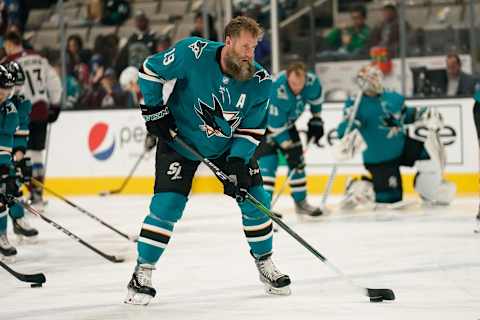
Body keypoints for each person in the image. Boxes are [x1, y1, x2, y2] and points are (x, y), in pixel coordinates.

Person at [125, 16, 291, 305]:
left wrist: (238, 163)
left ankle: (265, 263)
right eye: (244, 46)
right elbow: (150, 71)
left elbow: (252, 128)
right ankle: (142, 273)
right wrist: (154, 111)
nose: (250, 54)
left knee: (256, 199)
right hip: (179, 140)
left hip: (227, 147)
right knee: (167, 206)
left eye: (254, 47)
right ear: (228, 41)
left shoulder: (260, 80)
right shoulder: (193, 52)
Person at [336, 65, 455, 208]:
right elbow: (344, 129)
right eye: (370, 78)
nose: (375, 80)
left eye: (376, 76)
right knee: (391, 200)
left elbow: (405, 115)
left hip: (402, 145)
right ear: (362, 82)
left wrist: (424, 114)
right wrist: (349, 127)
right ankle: (359, 187)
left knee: (430, 159)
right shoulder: (355, 104)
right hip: (380, 156)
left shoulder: (392, 97)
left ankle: (428, 192)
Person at [2, 31, 62, 210]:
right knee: (36, 154)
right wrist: (55, 105)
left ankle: (16, 194)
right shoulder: (39, 58)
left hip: (18, 111)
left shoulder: (7, 64)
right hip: (41, 109)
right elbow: (55, 82)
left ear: (10, 44)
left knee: (18, 155)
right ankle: (37, 195)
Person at [255, 62, 324, 217]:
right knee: (268, 163)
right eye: (293, 83)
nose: (297, 88)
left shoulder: (312, 83)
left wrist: (316, 120)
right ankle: (264, 208)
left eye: (300, 84)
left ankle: (301, 203)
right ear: (287, 77)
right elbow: (274, 126)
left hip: (286, 124)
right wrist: (289, 147)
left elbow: (316, 102)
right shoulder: (276, 88)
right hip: (262, 125)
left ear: (306, 78)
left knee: (298, 163)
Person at [5, 61, 38, 239]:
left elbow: (20, 136)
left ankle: (18, 220)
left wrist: (17, 159)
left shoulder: (22, 103)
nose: (17, 89)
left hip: (8, 151)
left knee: (13, 183)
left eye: (20, 84)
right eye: (14, 85)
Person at [0, 64, 23, 259]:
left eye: (8, 88)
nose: (5, 93)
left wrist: (4, 168)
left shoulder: (9, 109)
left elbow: (6, 141)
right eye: (2, 88)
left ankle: (1, 236)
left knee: (1, 199)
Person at [115, 10, 158, 75]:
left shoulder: (154, 38)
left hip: (148, 73)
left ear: (146, 21)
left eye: (141, 20)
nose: (139, 22)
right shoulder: (131, 39)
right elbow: (123, 59)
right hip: (132, 73)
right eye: (137, 20)